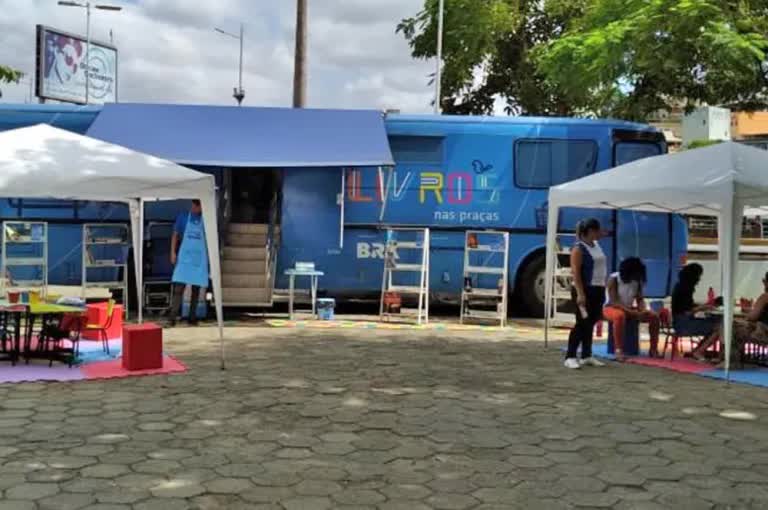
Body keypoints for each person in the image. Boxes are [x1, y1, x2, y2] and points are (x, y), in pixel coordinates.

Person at [694, 272, 768, 364]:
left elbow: (752, 317)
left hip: (763, 332)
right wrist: (750, 310)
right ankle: (714, 354)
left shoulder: (765, 296)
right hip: (763, 330)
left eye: (764, 281)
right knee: (728, 325)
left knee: (727, 325)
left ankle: (725, 358)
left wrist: (747, 315)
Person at [565, 218, 607, 369]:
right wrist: (580, 294)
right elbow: (575, 272)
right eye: (597, 230)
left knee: (592, 322)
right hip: (585, 289)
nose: (599, 233)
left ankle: (586, 354)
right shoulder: (578, 249)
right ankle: (570, 356)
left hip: (598, 288)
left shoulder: (596, 245)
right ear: (590, 231)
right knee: (582, 323)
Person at [603, 257, 660, 360]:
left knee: (654, 317)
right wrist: (634, 313)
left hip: (629, 309)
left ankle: (653, 349)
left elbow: (640, 299)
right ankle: (618, 350)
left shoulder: (637, 282)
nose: (637, 276)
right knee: (619, 316)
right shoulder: (614, 278)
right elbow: (615, 302)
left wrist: (643, 310)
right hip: (610, 308)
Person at [169, 200, 209, 326]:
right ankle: (172, 317)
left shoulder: (206, 220)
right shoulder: (183, 217)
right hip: (185, 259)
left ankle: (192, 317)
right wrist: (173, 252)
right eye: (197, 206)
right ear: (194, 205)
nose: (198, 209)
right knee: (179, 288)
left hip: (198, 259)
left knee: (196, 290)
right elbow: (175, 235)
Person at [671, 263, 719, 352]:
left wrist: (704, 305)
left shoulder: (680, 286)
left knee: (716, 325)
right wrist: (703, 307)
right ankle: (699, 352)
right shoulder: (685, 289)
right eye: (699, 276)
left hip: (679, 322)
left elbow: (688, 305)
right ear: (693, 276)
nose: (699, 279)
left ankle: (697, 351)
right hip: (684, 324)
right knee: (719, 327)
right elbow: (687, 312)